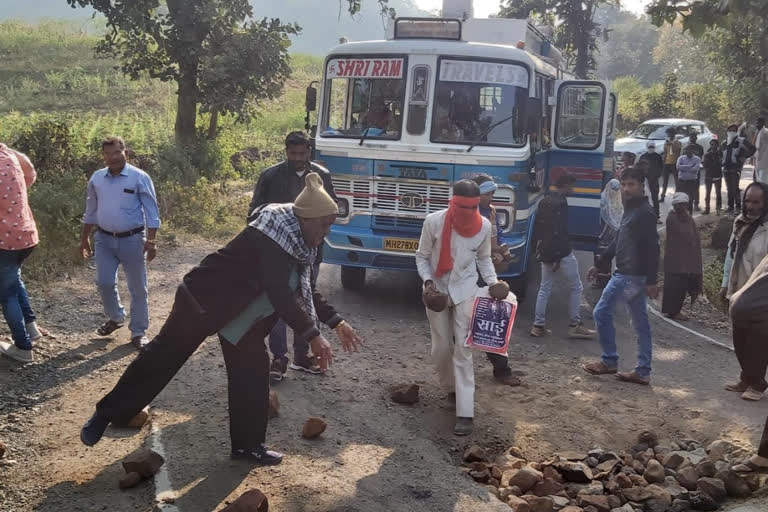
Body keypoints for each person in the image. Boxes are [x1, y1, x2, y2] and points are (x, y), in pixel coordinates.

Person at [80, 174, 363, 464]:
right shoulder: (272, 235)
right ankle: (106, 413)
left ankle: (247, 447)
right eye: (324, 225)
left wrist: (336, 322)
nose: (326, 232)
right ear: (306, 218)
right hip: (202, 301)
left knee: (253, 371)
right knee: (163, 357)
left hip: (242, 317)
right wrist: (312, 335)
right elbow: (280, 291)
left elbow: (303, 288)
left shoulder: (301, 241)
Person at [248, 131, 337, 380]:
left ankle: (302, 355)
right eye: (293, 153)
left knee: (306, 298)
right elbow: (254, 211)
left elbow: (330, 211)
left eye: (303, 153)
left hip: (310, 253)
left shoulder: (322, 176)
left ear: (309, 151)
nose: (298, 158)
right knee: (280, 301)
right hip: (278, 253)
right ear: (286, 152)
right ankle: (279, 358)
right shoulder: (270, 175)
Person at [415, 180, 498, 436]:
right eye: (462, 206)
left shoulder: (483, 225)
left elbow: (483, 258)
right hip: (437, 291)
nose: (467, 211)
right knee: (441, 348)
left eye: (472, 206)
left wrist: (494, 283)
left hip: (466, 290)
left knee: (463, 349)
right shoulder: (434, 221)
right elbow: (422, 256)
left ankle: (465, 411)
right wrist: (428, 283)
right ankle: (451, 389)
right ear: (453, 201)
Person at [80, 136, 160, 350]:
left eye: (117, 152)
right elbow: (91, 211)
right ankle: (116, 317)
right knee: (104, 282)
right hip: (104, 240)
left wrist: (151, 240)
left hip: (133, 240)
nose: (113, 157)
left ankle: (139, 332)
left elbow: (152, 211)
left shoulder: (139, 177)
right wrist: (84, 239)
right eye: (108, 154)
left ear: (126, 152)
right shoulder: (97, 179)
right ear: (103, 156)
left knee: (138, 288)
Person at [584, 166, 659, 385]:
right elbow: (619, 239)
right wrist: (600, 263)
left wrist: (652, 280)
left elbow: (653, 248)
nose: (626, 189)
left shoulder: (645, 212)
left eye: (631, 184)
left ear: (641, 185)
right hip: (631, 275)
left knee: (601, 312)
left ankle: (609, 360)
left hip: (629, 275)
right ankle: (642, 371)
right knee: (640, 324)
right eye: (624, 184)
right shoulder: (631, 208)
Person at [530, 173, 595, 339]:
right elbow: (558, 231)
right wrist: (557, 257)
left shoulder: (544, 201)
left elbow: (539, 229)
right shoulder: (560, 203)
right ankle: (575, 324)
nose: (572, 190)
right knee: (576, 286)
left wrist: (539, 251)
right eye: (571, 186)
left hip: (545, 250)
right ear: (565, 185)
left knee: (544, 288)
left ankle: (538, 326)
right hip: (560, 252)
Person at [471, 175, 520, 387]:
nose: (491, 196)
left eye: (492, 192)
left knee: (491, 321)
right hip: (468, 274)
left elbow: (494, 241)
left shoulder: (489, 211)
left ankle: (501, 369)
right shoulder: (469, 214)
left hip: (484, 271)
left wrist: (501, 250)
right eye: (487, 193)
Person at [0, 144, 46, 363]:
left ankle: (23, 347)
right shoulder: (6, 152)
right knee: (14, 280)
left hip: (4, 243)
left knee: (6, 294)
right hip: (26, 236)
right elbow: (30, 171)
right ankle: (32, 328)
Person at [726, 251, 768, 401]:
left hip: (764, 313)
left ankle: (757, 386)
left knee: (757, 351)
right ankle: (746, 380)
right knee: (742, 347)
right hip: (744, 307)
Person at [720, 183, 768, 304]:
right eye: (747, 201)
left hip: (760, 300)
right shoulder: (740, 222)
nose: (750, 206)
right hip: (737, 294)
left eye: (756, 202)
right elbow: (731, 254)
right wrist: (725, 283)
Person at [661, 193, 702, 321]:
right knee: (673, 285)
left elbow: (693, 236)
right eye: (679, 204)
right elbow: (684, 234)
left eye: (683, 204)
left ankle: (674, 310)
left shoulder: (687, 217)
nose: (681, 206)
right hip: (675, 258)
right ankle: (672, 311)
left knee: (681, 285)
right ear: (675, 205)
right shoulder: (672, 218)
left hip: (684, 258)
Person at [593, 179, 624, 288]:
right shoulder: (619, 200)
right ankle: (604, 279)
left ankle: (601, 280)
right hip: (612, 235)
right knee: (606, 257)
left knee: (601, 256)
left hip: (603, 234)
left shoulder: (603, 199)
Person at [722, 123, 755, 213]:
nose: (731, 132)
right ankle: (730, 206)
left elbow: (752, 148)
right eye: (730, 130)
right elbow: (721, 155)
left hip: (735, 168)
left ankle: (738, 207)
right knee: (729, 188)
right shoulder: (725, 142)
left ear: (736, 131)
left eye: (733, 130)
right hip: (726, 169)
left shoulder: (741, 141)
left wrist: (743, 157)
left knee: (735, 188)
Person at [638, 141, 663, 221]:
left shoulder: (658, 156)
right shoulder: (643, 156)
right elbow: (639, 168)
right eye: (650, 147)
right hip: (644, 180)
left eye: (652, 147)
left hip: (654, 180)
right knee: (644, 199)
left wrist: (657, 175)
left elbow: (661, 167)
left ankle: (657, 217)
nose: (651, 148)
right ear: (647, 147)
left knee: (655, 199)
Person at [676, 145, 701, 213]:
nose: (687, 151)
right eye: (686, 150)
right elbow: (678, 167)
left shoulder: (697, 159)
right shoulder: (681, 158)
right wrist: (690, 166)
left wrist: (683, 168)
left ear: (692, 151)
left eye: (689, 150)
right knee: (680, 199)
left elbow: (695, 169)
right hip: (681, 182)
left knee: (690, 200)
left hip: (691, 182)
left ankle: (689, 215)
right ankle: (681, 216)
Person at [661, 127, 682, 202]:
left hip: (674, 163)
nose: (668, 135)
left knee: (677, 181)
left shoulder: (678, 142)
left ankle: (677, 196)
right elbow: (665, 152)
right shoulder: (666, 142)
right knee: (665, 182)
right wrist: (663, 162)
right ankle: (662, 196)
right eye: (668, 134)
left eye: (670, 133)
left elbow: (676, 151)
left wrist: (671, 144)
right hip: (667, 163)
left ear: (673, 134)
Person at [702, 139, 723, 215]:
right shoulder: (707, 154)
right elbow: (705, 165)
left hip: (717, 175)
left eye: (714, 144)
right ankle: (707, 208)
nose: (713, 146)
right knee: (708, 193)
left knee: (718, 193)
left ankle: (718, 209)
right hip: (709, 176)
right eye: (711, 144)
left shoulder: (720, 154)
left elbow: (721, 164)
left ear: (717, 145)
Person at [687, 133, 704, 211]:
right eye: (691, 137)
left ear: (696, 138)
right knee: (688, 187)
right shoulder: (687, 147)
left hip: (696, 169)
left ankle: (696, 203)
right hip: (688, 170)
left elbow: (700, 158)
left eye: (693, 137)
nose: (692, 138)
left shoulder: (700, 147)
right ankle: (688, 203)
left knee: (696, 187)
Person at [754, 117, 768, 184]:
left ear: (763, 123)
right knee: (759, 180)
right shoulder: (758, 132)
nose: (757, 124)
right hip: (758, 159)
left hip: (765, 160)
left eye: (758, 123)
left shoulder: (766, 132)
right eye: (756, 123)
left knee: (763, 180)